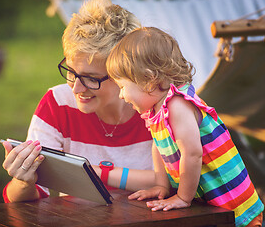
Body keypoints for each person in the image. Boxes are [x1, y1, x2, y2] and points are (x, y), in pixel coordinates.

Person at [1, 0, 155, 203]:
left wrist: (100, 173)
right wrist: (23, 181)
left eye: (91, 78)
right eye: (72, 72)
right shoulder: (57, 104)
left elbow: (188, 183)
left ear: (126, 73)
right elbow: (25, 202)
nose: (76, 88)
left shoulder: (157, 107)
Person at [106, 27, 264, 227]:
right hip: (212, 204)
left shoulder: (177, 106)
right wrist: (161, 185)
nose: (121, 95)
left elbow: (192, 154)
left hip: (233, 204)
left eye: (122, 87)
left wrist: (182, 198)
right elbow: (159, 146)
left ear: (148, 80)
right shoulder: (157, 111)